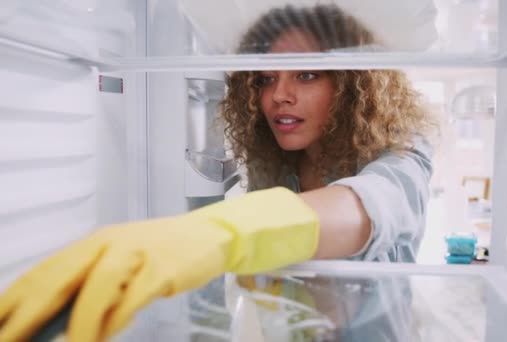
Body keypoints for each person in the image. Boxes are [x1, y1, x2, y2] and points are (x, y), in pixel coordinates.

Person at [0, 4, 436, 341]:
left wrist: (222, 233)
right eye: (265, 78)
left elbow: (368, 207)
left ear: (352, 85)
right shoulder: (277, 166)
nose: (279, 96)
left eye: (306, 74)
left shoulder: (402, 154)